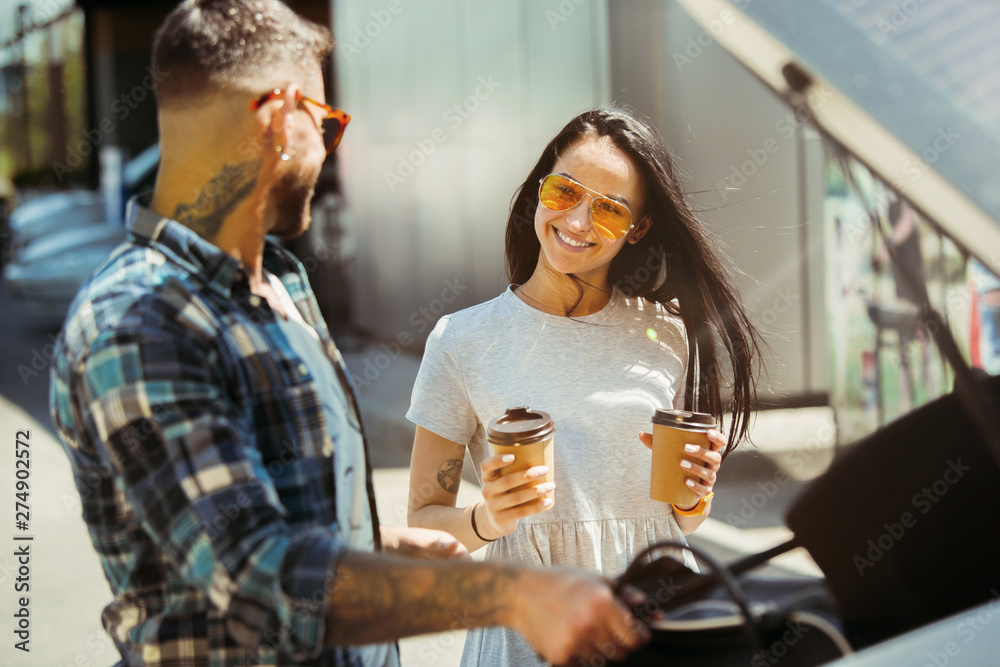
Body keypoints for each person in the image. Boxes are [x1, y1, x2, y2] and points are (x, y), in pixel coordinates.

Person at [48, 2, 650, 665]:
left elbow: (275, 516)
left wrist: (371, 545)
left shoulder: (277, 283)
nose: (333, 147)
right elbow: (260, 573)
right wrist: (511, 593)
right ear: (280, 120)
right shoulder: (140, 321)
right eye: (326, 122)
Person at [407, 107, 763, 665]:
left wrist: (696, 491)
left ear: (638, 229)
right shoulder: (462, 340)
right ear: (540, 188)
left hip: (655, 623)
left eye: (609, 211)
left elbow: (678, 518)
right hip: (531, 631)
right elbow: (426, 521)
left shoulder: (666, 333)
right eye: (565, 191)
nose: (576, 222)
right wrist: (490, 519)